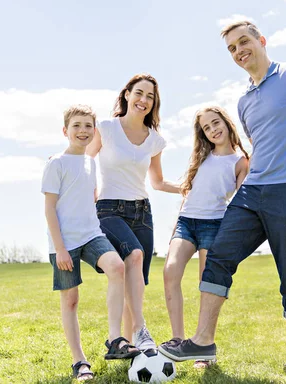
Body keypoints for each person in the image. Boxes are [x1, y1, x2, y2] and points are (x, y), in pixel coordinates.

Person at [159, 21, 286, 377]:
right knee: (219, 254)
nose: (239, 51)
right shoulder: (244, 101)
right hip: (252, 192)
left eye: (244, 42)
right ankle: (203, 339)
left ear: (261, 41)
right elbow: (261, 146)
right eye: (232, 48)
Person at [42, 105, 141, 381]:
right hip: (64, 243)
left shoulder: (91, 162)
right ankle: (79, 361)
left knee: (117, 267)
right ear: (65, 131)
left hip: (91, 235)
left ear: (93, 131)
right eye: (76, 125)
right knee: (71, 300)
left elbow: (91, 196)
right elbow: (49, 209)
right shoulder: (56, 163)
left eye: (87, 126)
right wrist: (60, 248)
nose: (82, 131)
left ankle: (114, 338)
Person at [87, 74, 180, 350]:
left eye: (150, 96)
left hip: (142, 213)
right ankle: (141, 329)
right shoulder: (105, 128)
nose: (144, 100)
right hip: (108, 209)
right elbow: (85, 162)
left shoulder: (154, 140)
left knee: (133, 282)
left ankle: (129, 348)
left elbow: (158, 182)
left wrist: (189, 186)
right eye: (139, 93)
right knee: (134, 254)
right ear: (127, 94)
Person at [162, 106, 249, 368]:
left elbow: (242, 199)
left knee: (206, 284)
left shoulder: (241, 161)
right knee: (170, 271)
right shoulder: (202, 156)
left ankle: (203, 346)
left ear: (226, 122)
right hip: (187, 222)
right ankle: (179, 342)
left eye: (216, 123)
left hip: (215, 224)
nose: (213, 130)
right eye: (207, 128)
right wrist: (178, 220)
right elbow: (189, 191)